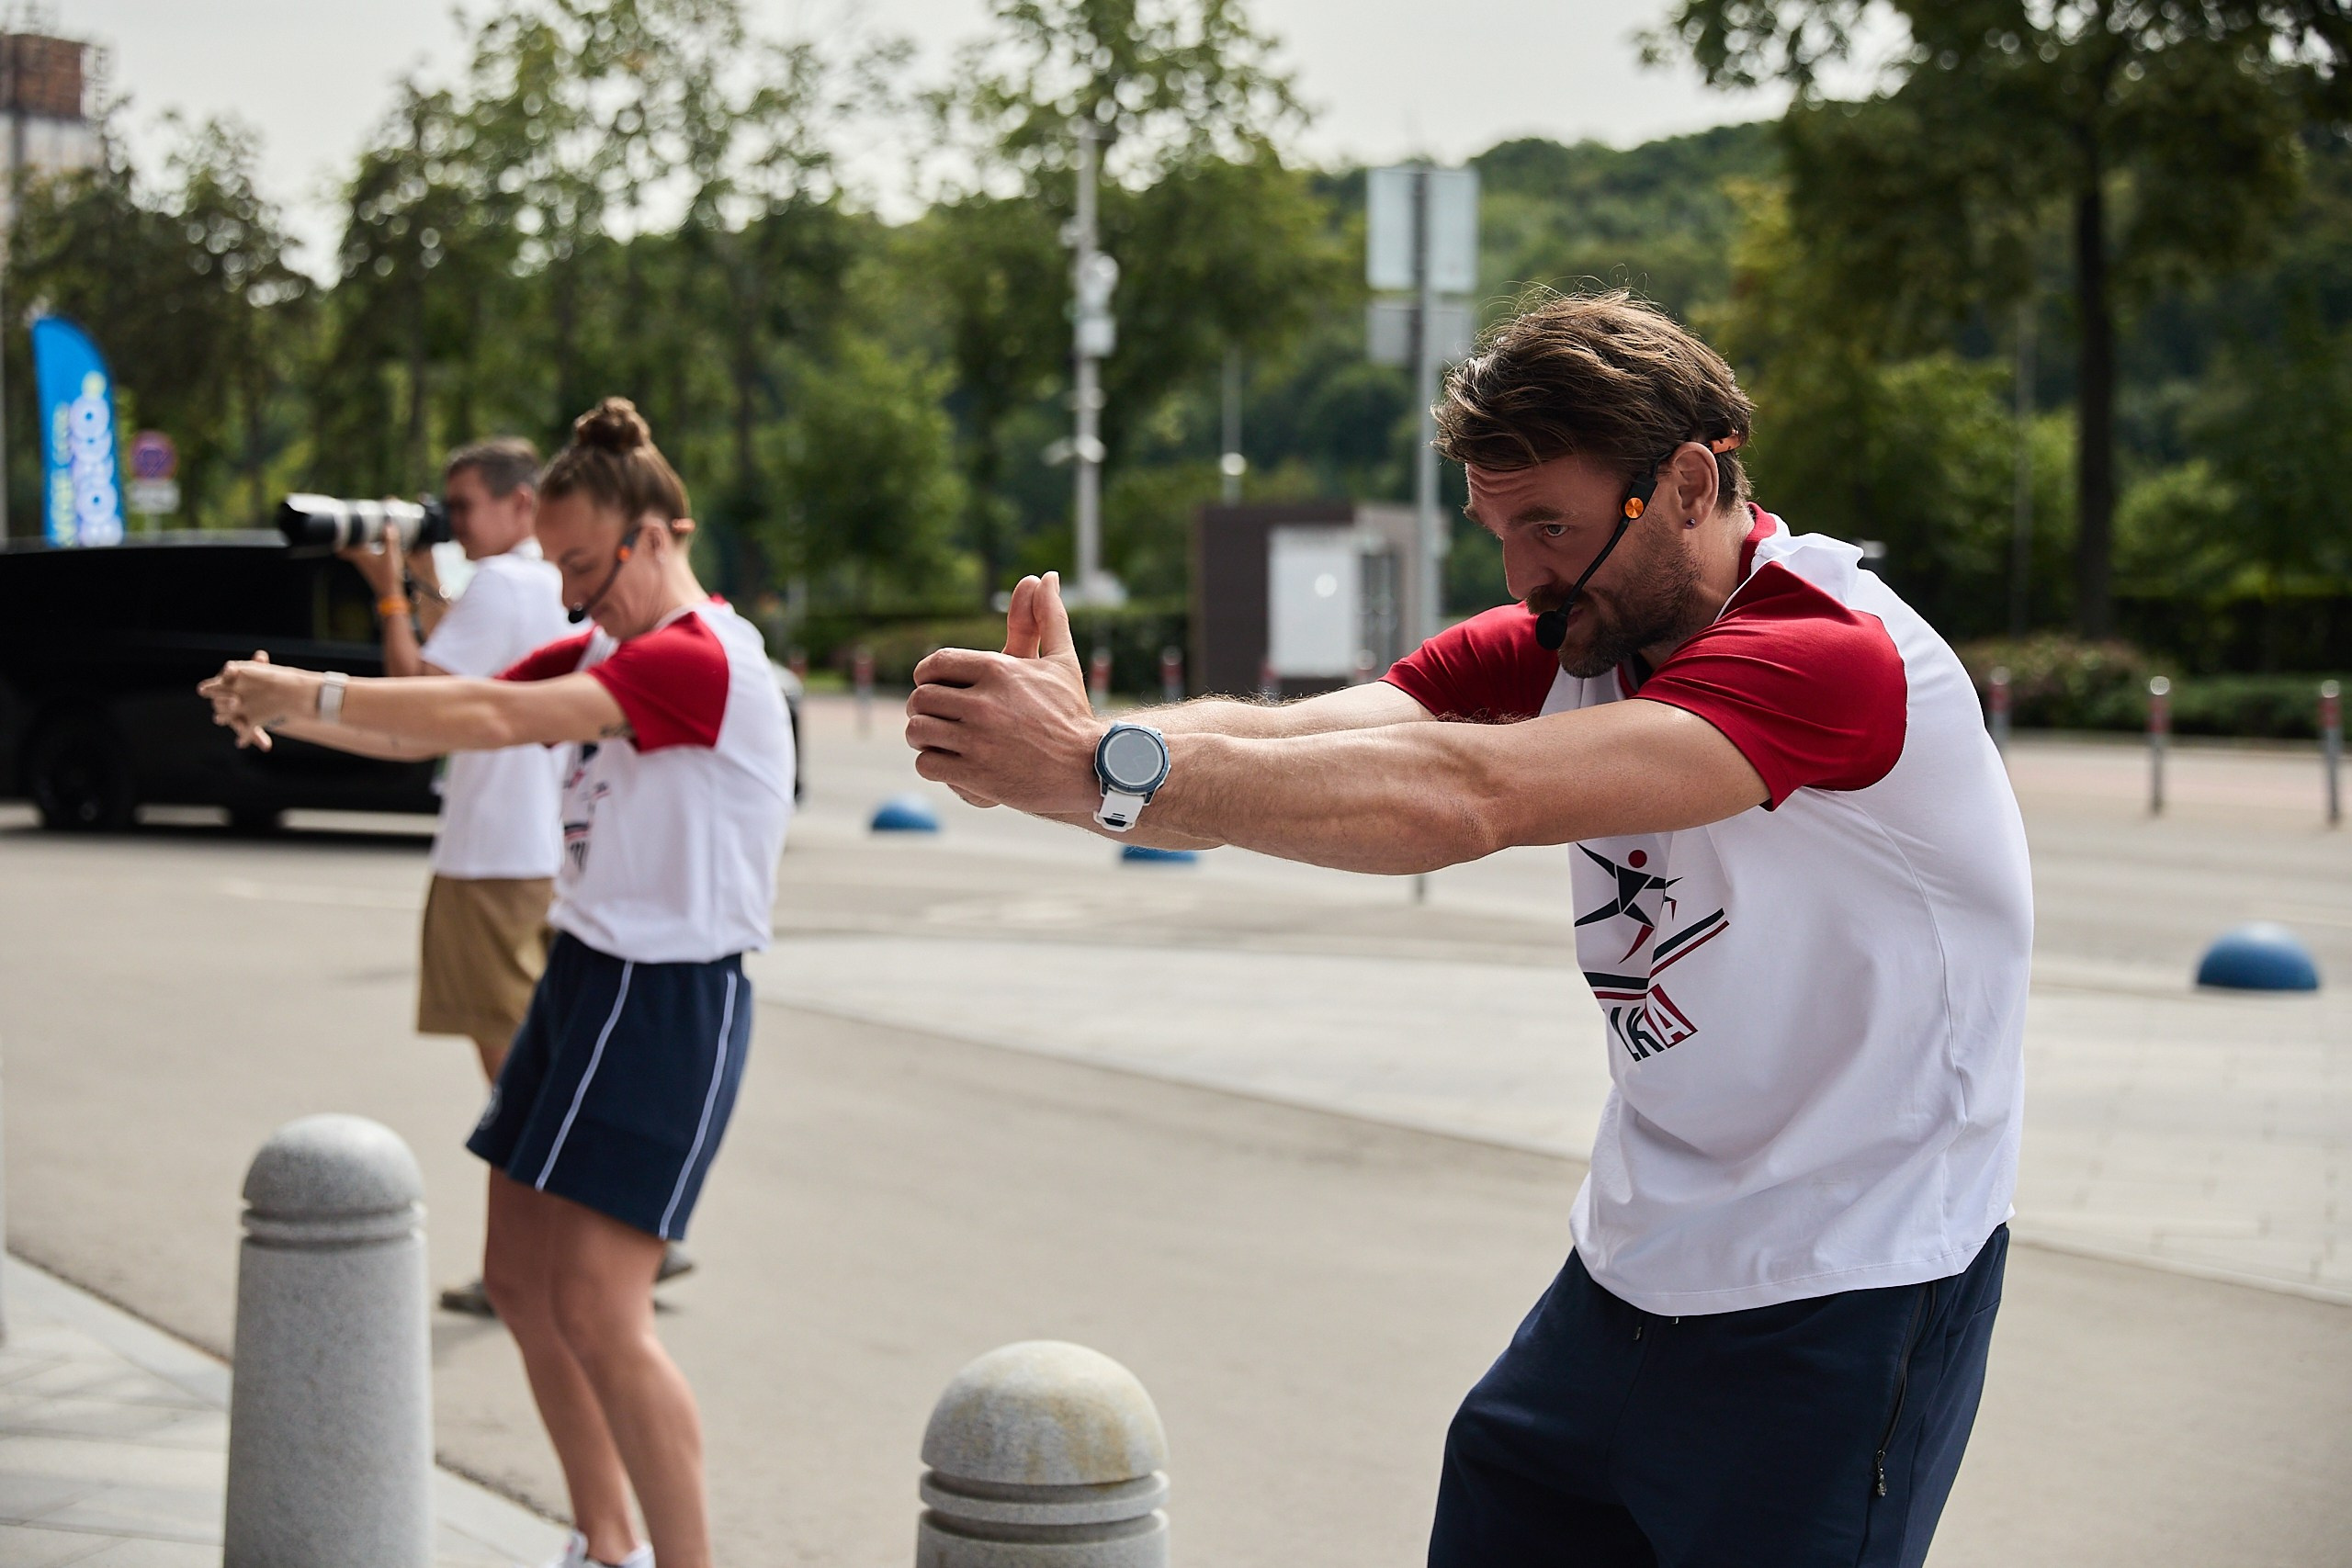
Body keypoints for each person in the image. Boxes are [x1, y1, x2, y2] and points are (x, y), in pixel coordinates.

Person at [903, 291, 2031, 1568]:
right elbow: (1322, 736)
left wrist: (1102, 769)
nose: (1525, 576)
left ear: (1688, 481)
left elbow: (1469, 795)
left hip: (1847, 1279)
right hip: (1635, 1265)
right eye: (1500, 532)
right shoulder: (1585, 629)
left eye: (1549, 523)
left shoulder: (1831, 656)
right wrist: (1104, 748)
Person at [203, 397, 793, 1568]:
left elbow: (489, 707)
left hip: (668, 996)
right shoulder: (609, 641)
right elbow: (432, 731)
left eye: (588, 568)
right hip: (586, 969)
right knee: (523, 1287)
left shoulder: (700, 659)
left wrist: (309, 697)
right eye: (562, 571)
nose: (575, 597)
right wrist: (286, 698)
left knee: (601, 1313)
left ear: (660, 532)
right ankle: (605, 1543)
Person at [336, 439, 585, 1317]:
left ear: (523, 505)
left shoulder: (507, 585)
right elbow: (471, 657)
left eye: (466, 505)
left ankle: (550, 1252)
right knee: (535, 1058)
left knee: (513, 1071)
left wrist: (390, 589)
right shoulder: (545, 582)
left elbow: (416, 704)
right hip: (542, 847)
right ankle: (601, 1235)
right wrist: (428, 577)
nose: (455, 520)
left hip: (491, 854)